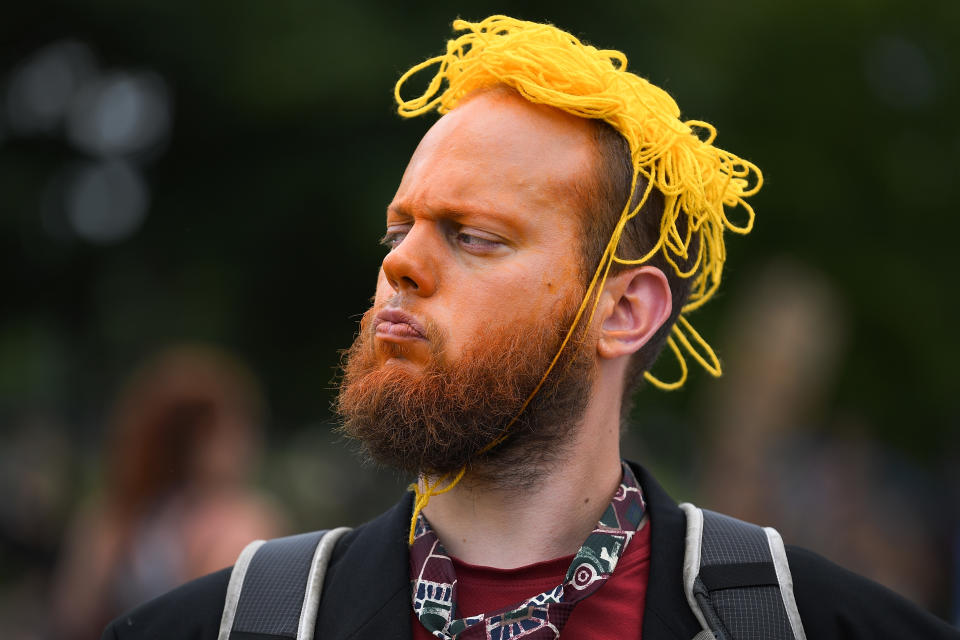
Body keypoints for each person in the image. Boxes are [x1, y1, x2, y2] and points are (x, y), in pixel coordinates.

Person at [101, 16, 958, 640]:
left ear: (623, 311)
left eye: (473, 236)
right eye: (398, 230)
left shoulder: (808, 623)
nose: (401, 266)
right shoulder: (232, 623)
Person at [53, 345, 286, 640]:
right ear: (194, 439)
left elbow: (73, 614)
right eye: (236, 429)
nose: (248, 444)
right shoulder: (241, 521)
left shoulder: (112, 516)